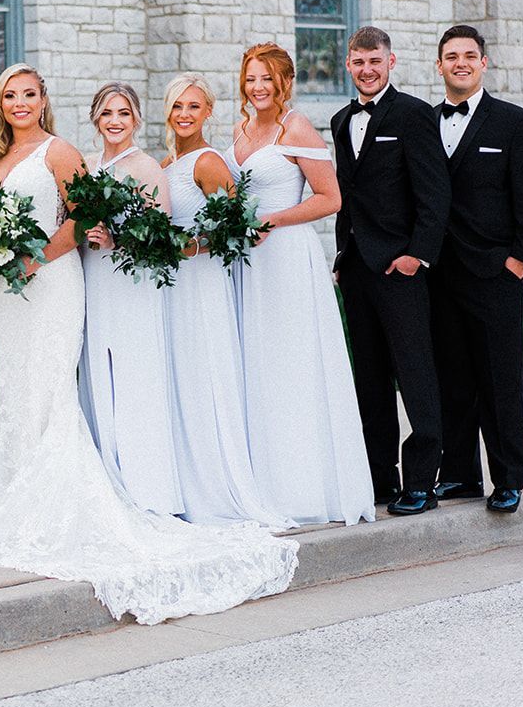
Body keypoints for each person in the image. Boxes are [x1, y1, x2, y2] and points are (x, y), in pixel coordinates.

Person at [0, 65, 299, 626]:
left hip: (50, 281)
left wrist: (35, 257)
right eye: (11, 95)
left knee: (50, 384)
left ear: (44, 101)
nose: (21, 103)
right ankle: (17, 496)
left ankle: (60, 503)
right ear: (0, 103)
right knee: (15, 386)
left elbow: (82, 214)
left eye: (31, 94)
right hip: (3, 289)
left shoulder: (61, 151)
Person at [226, 43, 374, 527]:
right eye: (251, 78)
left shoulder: (297, 127)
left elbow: (330, 198)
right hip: (247, 265)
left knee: (291, 367)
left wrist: (274, 219)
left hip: (287, 258)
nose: (258, 87)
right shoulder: (240, 130)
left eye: (266, 78)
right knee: (255, 367)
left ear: (283, 82)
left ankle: (303, 487)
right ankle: (259, 481)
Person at [430, 25, 523, 514]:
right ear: (438, 65)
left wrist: (520, 262)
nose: (460, 63)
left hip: (496, 274)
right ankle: (459, 475)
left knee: (501, 380)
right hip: (440, 273)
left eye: (469, 55)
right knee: (452, 378)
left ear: (484, 63)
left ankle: (508, 478)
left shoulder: (515, 124)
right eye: (451, 56)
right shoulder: (423, 121)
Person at [329, 26, 451, 516]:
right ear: (348, 65)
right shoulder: (341, 120)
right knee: (371, 377)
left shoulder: (415, 114)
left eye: (374, 61)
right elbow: (345, 199)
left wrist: (416, 254)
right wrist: (341, 257)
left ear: (391, 61)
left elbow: (434, 192)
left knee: (415, 372)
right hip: (357, 268)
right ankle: (380, 478)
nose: (366, 70)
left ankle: (421, 480)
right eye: (358, 62)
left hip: (400, 267)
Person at [158, 74, 289, 528]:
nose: (184, 115)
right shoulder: (167, 161)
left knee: (204, 373)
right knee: (181, 376)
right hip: (174, 286)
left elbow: (235, 230)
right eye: (177, 106)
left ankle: (215, 484)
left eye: (194, 107)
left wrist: (188, 248)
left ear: (208, 112)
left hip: (201, 282)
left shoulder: (208, 161)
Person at [78, 83, 184, 515]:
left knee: (134, 372)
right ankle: (105, 476)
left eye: (123, 113)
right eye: (106, 113)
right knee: (97, 371)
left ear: (137, 119)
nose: (115, 121)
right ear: (95, 119)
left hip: (131, 285)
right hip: (93, 279)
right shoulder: (84, 166)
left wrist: (116, 241)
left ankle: (146, 485)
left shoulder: (146, 168)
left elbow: (162, 241)